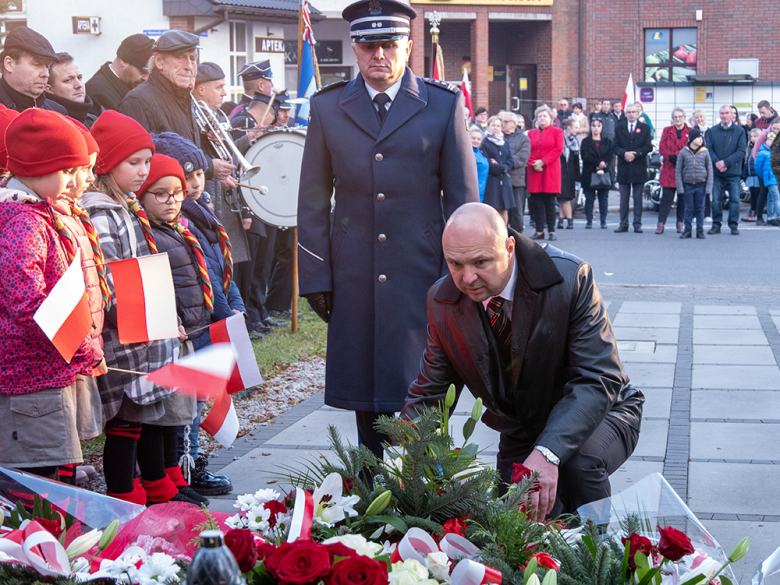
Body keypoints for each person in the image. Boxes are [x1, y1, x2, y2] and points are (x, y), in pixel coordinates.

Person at [296, 0, 478, 459]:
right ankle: (371, 485)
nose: (379, 54)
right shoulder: (329, 107)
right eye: (368, 45)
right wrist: (316, 277)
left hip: (423, 274)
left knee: (426, 389)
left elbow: (463, 204)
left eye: (389, 44)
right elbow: (312, 201)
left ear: (408, 47)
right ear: (355, 50)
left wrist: (463, 275)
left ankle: (428, 489)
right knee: (368, 390)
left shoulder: (442, 105)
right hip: (354, 272)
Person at [401, 202, 644, 517]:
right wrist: (403, 454)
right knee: (511, 521)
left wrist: (548, 452)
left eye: (480, 262)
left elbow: (598, 378)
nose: (467, 277)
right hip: (522, 426)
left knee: (577, 466)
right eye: (455, 263)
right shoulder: (443, 300)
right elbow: (431, 389)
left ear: (509, 248)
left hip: (605, 410)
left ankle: (596, 543)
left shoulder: (569, 277)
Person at [82, 111, 189, 506]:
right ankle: (124, 499)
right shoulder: (101, 212)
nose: (144, 171)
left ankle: (156, 490)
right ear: (108, 162)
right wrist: (150, 314)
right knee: (125, 424)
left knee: (143, 419)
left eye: (147, 161)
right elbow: (110, 277)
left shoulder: (124, 205)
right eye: (134, 162)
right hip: (124, 337)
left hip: (144, 331)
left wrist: (166, 316)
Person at [0, 109, 92, 479]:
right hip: (31, 375)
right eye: (67, 171)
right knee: (35, 481)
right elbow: (28, 303)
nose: (73, 181)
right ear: (38, 167)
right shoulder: (24, 222)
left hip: (38, 370)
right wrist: (79, 346)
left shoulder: (34, 215)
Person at [154, 132, 242, 497]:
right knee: (185, 404)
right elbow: (201, 273)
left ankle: (191, 462)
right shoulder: (177, 220)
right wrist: (224, 311)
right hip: (193, 320)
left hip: (208, 315)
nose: (193, 184)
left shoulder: (201, 212)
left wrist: (236, 305)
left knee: (198, 397)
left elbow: (219, 266)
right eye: (185, 177)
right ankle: (186, 466)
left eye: (198, 175)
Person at [49, 120, 109, 485]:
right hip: (65, 339)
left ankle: (71, 469)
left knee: (71, 418)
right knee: (58, 422)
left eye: (87, 169)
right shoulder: (44, 217)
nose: (84, 179)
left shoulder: (74, 212)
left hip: (84, 332)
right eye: (75, 170)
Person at [119, 30, 236, 191]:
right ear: (159, 61)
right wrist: (207, 166)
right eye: (180, 57)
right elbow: (141, 164)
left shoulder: (183, 97)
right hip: (163, 201)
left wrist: (207, 140)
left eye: (192, 58)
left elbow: (179, 145)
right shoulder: (138, 101)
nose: (189, 66)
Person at [191, 62, 250, 268]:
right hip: (210, 200)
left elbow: (230, 157)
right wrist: (216, 174)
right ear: (201, 89)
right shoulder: (192, 115)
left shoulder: (217, 116)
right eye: (219, 87)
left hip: (226, 203)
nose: (224, 93)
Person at [0, 26, 66, 113]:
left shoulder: (57, 111)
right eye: (36, 64)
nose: (46, 74)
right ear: (9, 64)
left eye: (47, 66)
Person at [705, 105, 747, 235]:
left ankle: (733, 225)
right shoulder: (713, 130)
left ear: (732, 115)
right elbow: (709, 149)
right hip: (717, 171)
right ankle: (716, 224)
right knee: (716, 200)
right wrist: (717, 162)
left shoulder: (740, 131)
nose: (724, 116)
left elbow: (741, 151)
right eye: (722, 113)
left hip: (733, 171)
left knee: (734, 199)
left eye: (727, 113)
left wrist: (725, 162)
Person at [86, 34, 153, 111]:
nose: (146, 78)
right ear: (123, 61)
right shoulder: (98, 93)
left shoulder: (130, 84)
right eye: (143, 71)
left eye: (150, 72)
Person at [613, 103, 652, 233]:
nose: (631, 114)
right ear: (625, 114)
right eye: (628, 112)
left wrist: (636, 154)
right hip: (624, 167)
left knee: (637, 198)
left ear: (637, 113)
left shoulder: (645, 128)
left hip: (638, 166)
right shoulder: (619, 127)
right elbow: (614, 146)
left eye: (633, 112)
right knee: (624, 198)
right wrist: (624, 153)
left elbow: (648, 147)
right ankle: (623, 223)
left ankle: (637, 224)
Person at [526, 105, 564, 241]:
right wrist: (534, 163)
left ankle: (552, 231)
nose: (542, 118)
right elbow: (527, 150)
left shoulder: (557, 132)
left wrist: (542, 162)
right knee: (536, 203)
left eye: (545, 116)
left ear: (551, 118)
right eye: (540, 116)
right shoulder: (531, 133)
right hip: (535, 170)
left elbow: (558, 149)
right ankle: (539, 230)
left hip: (550, 170)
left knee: (549, 202)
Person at [44, 53, 104, 129]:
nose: (79, 85)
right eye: (68, 80)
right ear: (49, 89)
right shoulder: (49, 125)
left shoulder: (94, 121)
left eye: (79, 78)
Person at [676, 128, 713, 239]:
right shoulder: (683, 152)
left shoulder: (705, 152)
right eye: (698, 137)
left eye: (701, 137)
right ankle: (687, 230)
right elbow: (678, 171)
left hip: (701, 185)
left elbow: (710, 170)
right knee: (688, 209)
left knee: (700, 209)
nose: (701, 139)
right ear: (692, 139)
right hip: (688, 185)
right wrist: (680, 188)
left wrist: (708, 188)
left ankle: (700, 230)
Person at [656, 108, 689, 234]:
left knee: (682, 199)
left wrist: (677, 155)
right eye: (675, 117)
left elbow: (690, 147)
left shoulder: (690, 131)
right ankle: (661, 224)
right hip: (669, 168)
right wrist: (670, 156)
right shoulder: (667, 130)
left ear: (684, 117)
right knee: (666, 199)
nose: (678, 119)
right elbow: (662, 147)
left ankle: (680, 223)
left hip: (684, 169)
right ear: (672, 119)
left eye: (680, 116)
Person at [480, 115, 515, 223]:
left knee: (504, 210)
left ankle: (503, 232)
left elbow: (510, 160)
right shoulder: (484, 142)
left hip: (504, 181)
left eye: (498, 126)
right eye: (493, 125)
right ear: (488, 126)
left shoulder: (505, 142)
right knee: (491, 211)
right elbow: (487, 162)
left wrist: (504, 167)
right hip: (491, 181)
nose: (495, 127)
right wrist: (501, 168)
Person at [501, 112, 531, 234]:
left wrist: (504, 164)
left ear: (514, 123)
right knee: (500, 211)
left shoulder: (523, 139)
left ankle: (517, 237)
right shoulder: (497, 137)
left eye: (505, 122)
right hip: (499, 180)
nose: (503, 124)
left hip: (515, 181)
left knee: (516, 212)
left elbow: (522, 157)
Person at [580, 118, 612, 229]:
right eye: (594, 126)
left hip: (604, 173)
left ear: (601, 127)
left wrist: (603, 163)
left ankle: (603, 221)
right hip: (589, 173)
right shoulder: (586, 142)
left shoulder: (607, 142)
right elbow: (585, 156)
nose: (596, 128)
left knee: (603, 199)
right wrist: (597, 163)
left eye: (598, 126)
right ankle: (589, 220)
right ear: (591, 127)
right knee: (589, 199)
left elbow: (610, 155)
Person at [557, 119, 580, 230]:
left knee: (564, 198)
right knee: (564, 198)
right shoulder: (561, 139)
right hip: (561, 172)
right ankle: (570, 220)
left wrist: (577, 175)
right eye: (576, 127)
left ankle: (561, 220)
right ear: (569, 128)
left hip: (570, 172)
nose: (577, 130)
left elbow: (576, 160)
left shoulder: (574, 140)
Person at [755, 132, 779, 226]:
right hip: (769, 179)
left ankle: (770, 217)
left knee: (771, 198)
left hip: (775, 178)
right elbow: (757, 167)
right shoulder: (762, 153)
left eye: (773, 140)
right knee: (776, 198)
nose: (772, 142)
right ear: (766, 141)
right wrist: (764, 176)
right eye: (770, 140)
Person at [741, 128, 762, 222]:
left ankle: (757, 213)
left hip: (757, 175)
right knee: (752, 195)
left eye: (755, 136)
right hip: (750, 175)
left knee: (757, 194)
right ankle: (752, 212)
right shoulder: (749, 148)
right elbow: (746, 163)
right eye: (751, 136)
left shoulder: (760, 148)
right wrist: (744, 174)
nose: (752, 138)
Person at [471, 127, 489, 200]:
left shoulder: (479, 153)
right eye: (473, 138)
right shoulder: (467, 154)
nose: (476, 141)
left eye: (478, 139)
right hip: (471, 192)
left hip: (481, 192)